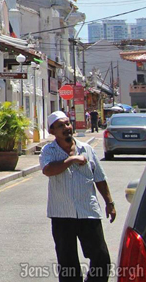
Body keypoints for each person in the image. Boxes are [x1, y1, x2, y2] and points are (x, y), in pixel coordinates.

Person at [40, 110, 116, 282]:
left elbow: (100, 178)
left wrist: (109, 203)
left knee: (101, 258)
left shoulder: (87, 149)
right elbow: (48, 170)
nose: (66, 128)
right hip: (62, 215)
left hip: (88, 211)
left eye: (67, 123)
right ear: (52, 131)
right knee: (68, 264)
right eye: (60, 126)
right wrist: (71, 160)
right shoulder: (48, 151)